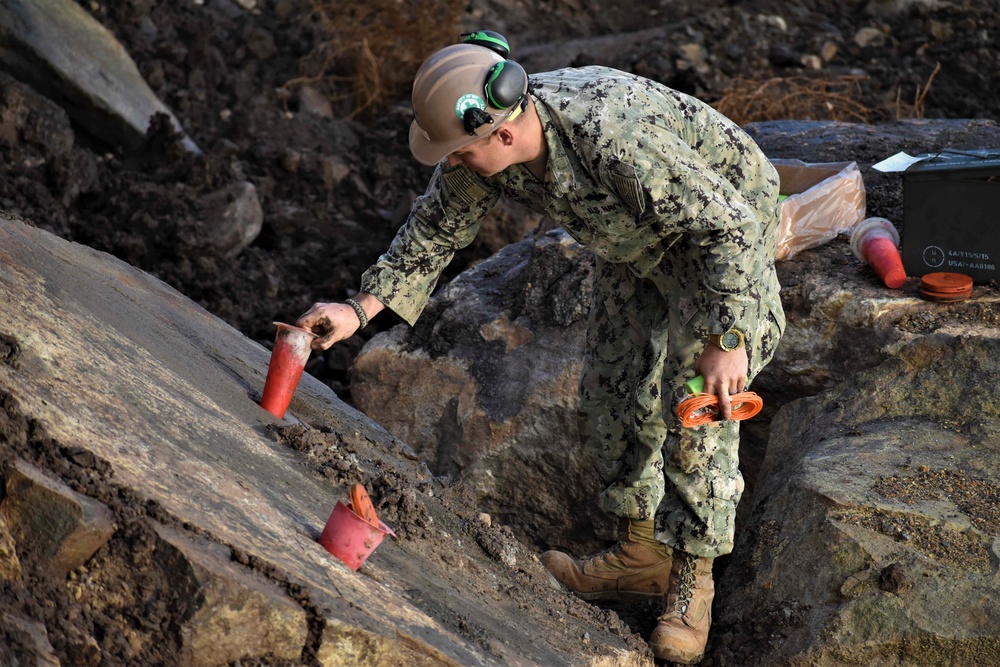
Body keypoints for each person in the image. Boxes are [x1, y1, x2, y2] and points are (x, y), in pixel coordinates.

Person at [296, 30, 784, 664]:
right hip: (636, 251)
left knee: (698, 407)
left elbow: (730, 227)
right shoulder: (495, 144)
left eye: (461, 153)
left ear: (499, 133)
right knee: (614, 387)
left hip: (717, 249)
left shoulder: (608, 138)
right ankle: (642, 555)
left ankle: (692, 584)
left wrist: (729, 337)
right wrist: (358, 308)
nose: (455, 164)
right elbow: (437, 226)